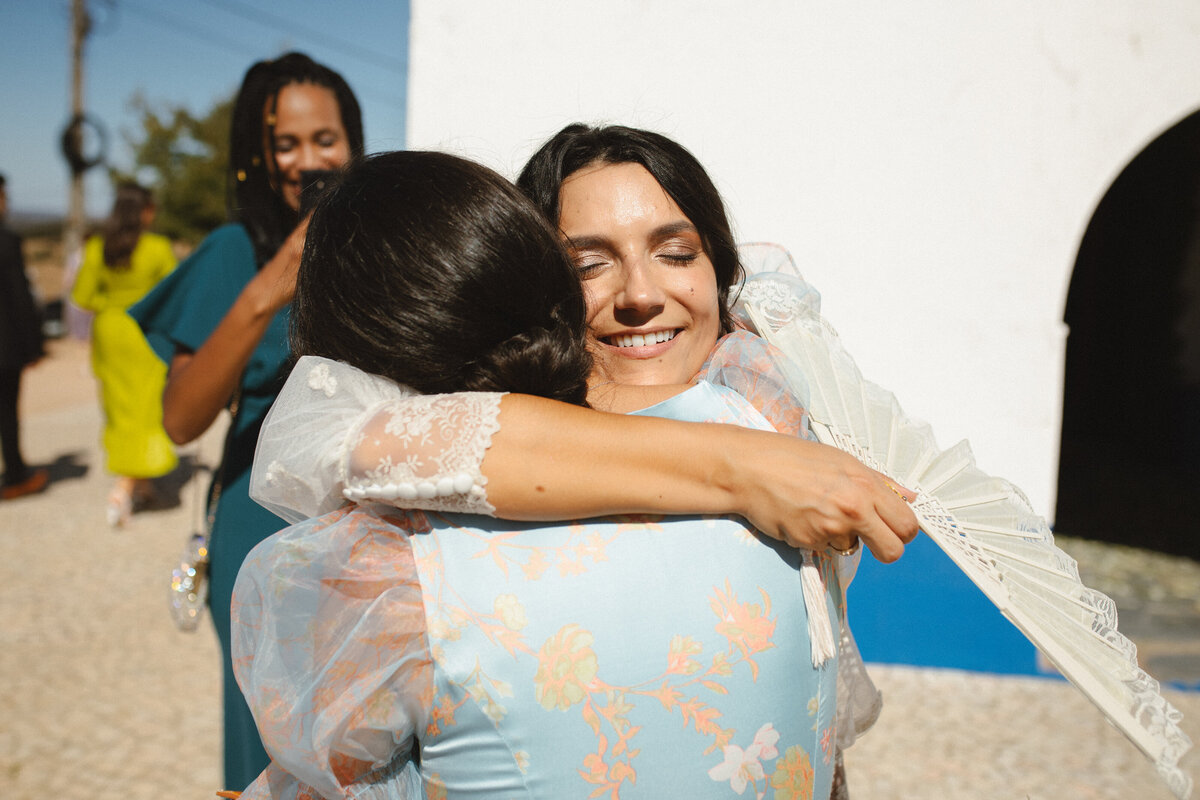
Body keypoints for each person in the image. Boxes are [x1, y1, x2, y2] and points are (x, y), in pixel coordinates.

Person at [235, 149, 846, 799]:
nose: (640, 295)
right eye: (588, 263)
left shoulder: (395, 568)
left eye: (676, 252)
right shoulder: (775, 426)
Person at [128, 52, 364, 791]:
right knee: (266, 730)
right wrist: (270, 288)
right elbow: (180, 418)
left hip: (370, 511)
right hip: (260, 522)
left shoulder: (378, 240)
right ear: (256, 159)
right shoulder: (235, 251)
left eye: (324, 138)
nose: (306, 161)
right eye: (284, 145)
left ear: (353, 141)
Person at [71, 182, 177, 525]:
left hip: (110, 333)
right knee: (146, 407)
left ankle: (140, 485)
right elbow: (175, 293)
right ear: (144, 211)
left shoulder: (98, 248)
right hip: (145, 333)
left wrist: (111, 304)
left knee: (119, 410)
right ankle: (126, 485)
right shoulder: (158, 248)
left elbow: (82, 297)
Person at [0, 173, 48, 501]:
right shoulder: (6, 240)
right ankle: (15, 475)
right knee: (6, 409)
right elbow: (19, 296)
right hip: (5, 346)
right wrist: (33, 345)